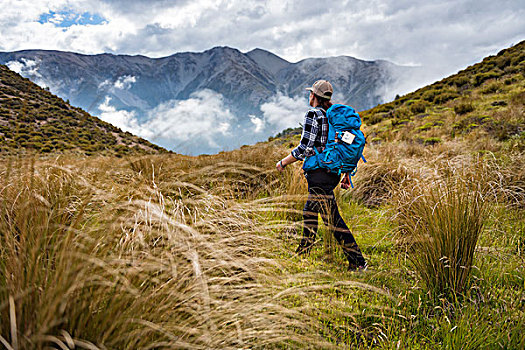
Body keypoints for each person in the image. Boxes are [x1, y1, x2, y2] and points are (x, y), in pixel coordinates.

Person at [275, 80, 367, 271]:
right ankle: (304, 251)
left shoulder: (313, 114)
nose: (309, 97)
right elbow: (344, 147)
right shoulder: (334, 116)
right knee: (310, 211)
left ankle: (358, 262)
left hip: (318, 173)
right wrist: (346, 174)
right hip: (332, 173)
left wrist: (283, 162)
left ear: (314, 96)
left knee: (332, 219)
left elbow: (305, 148)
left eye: (310, 94)